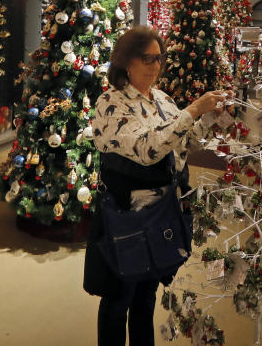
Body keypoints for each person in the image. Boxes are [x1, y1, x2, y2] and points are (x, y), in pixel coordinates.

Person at [84, 26, 227, 346]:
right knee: (118, 298)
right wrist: (192, 110)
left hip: (162, 213)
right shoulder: (111, 103)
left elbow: (185, 143)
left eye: (158, 58)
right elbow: (148, 150)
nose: (154, 65)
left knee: (146, 297)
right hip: (127, 216)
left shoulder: (161, 99)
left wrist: (207, 118)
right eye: (146, 58)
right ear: (125, 62)